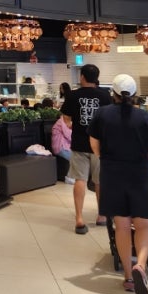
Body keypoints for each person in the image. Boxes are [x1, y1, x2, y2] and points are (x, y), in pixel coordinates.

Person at [89, 73, 148, 294]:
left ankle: (129, 276)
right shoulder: (144, 117)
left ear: (113, 93)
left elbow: (95, 146)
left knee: (121, 227)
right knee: (143, 226)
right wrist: (144, 165)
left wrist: (110, 161)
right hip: (139, 174)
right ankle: (141, 264)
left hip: (112, 175)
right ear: (135, 93)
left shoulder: (102, 115)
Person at [61, 63, 112, 234]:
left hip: (79, 143)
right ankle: (102, 215)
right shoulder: (105, 95)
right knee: (100, 181)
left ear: (82, 76)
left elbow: (66, 119)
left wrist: (73, 125)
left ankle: (79, 219)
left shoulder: (73, 95)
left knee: (80, 180)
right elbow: (110, 119)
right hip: (100, 145)